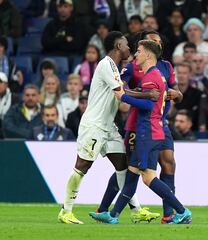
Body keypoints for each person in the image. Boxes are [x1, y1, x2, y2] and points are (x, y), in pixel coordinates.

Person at [57, 31, 156, 224]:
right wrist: (147, 94)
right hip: (94, 125)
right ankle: (65, 211)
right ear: (118, 46)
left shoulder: (114, 68)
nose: (130, 48)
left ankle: (136, 210)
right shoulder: (105, 65)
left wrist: (142, 92)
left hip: (108, 127)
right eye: (127, 45)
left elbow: (123, 91)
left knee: (122, 165)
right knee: (82, 166)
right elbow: (121, 94)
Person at [89, 39, 192, 224]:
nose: (135, 54)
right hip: (152, 131)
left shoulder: (151, 77)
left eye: (139, 51)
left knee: (148, 177)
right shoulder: (157, 75)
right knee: (132, 172)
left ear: (148, 55)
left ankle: (182, 211)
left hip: (148, 132)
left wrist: (125, 97)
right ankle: (112, 216)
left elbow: (147, 104)